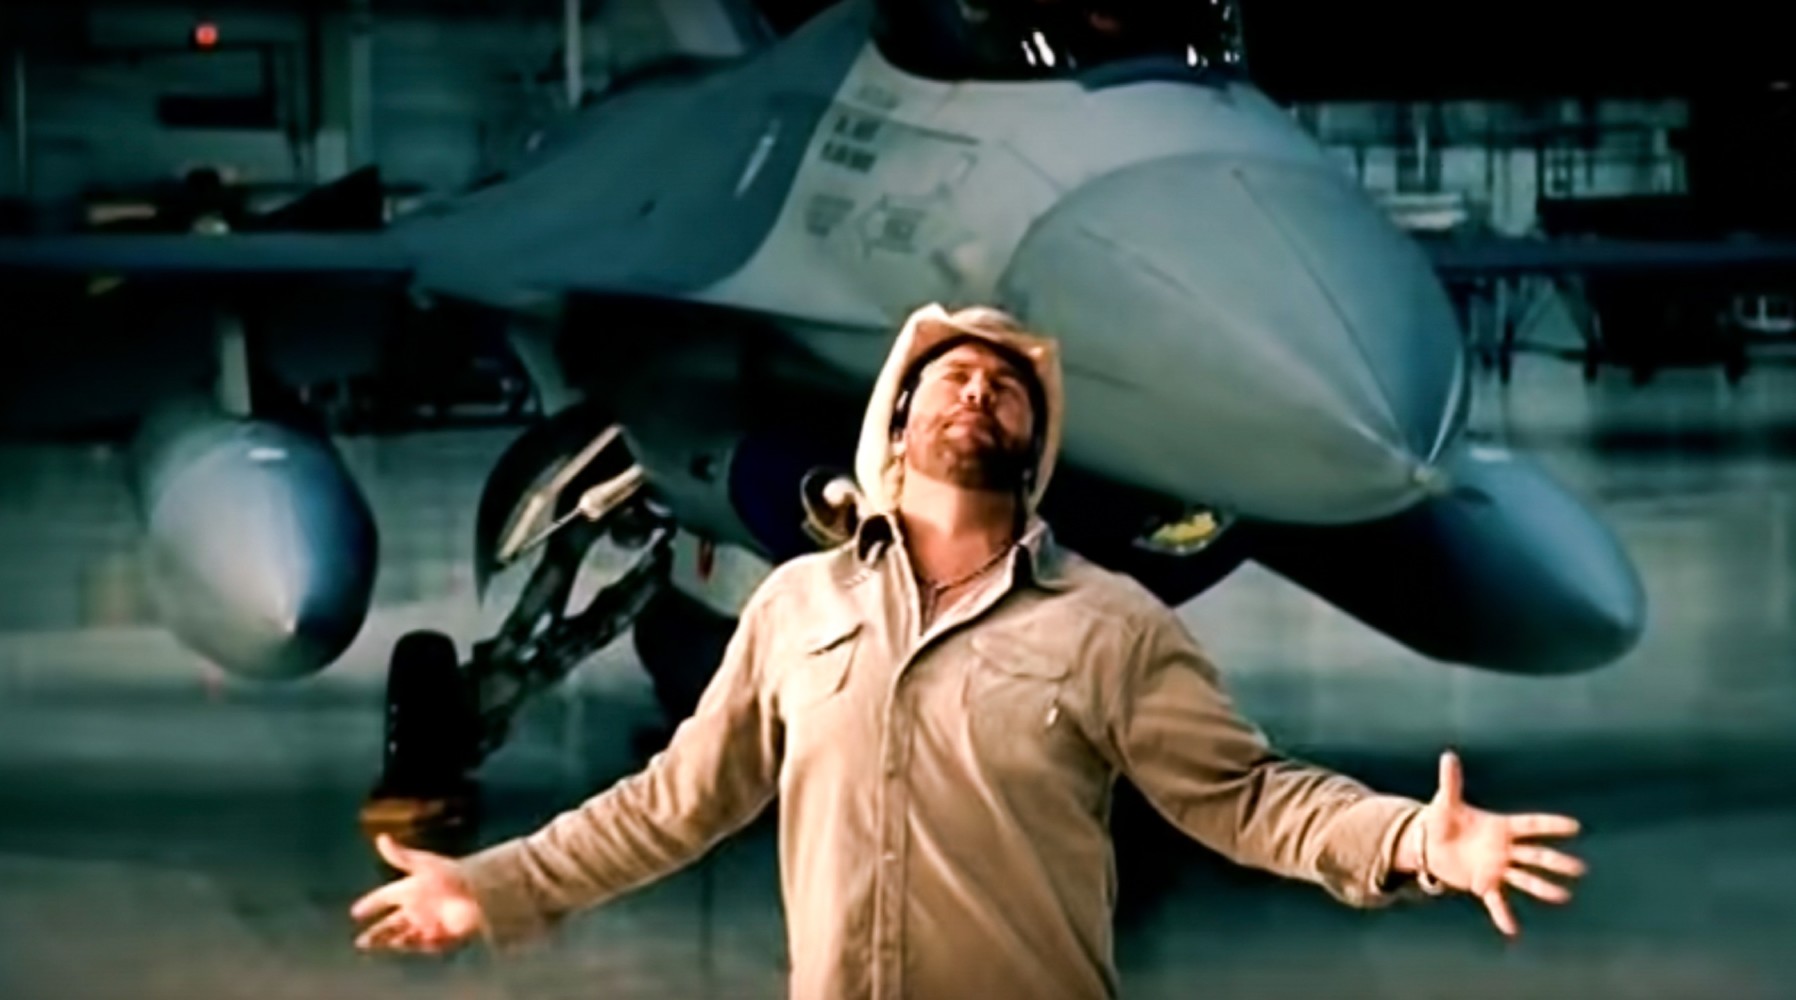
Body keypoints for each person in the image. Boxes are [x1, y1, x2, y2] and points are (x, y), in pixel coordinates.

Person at [351, 302, 1587, 1000]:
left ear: (1033, 451)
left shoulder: (1107, 624)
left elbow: (1247, 798)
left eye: (1006, 388)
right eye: (948, 377)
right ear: (893, 427)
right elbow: (674, 803)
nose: (977, 392)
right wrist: (491, 883)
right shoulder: (796, 607)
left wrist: (1415, 840)